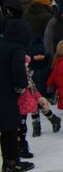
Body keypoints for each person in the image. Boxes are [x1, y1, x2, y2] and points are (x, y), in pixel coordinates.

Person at [0, 22, 33, 171]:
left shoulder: (2, 45)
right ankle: (12, 163)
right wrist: (21, 86)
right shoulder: (17, 49)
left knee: (4, 128)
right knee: (11, 127)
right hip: (7, 93)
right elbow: (19, 70)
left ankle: (7, 161)